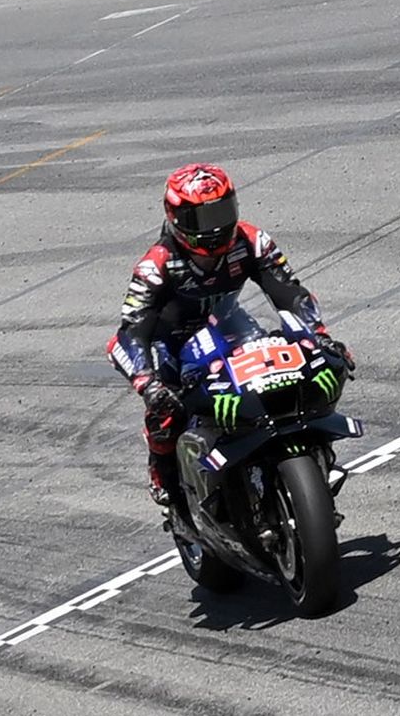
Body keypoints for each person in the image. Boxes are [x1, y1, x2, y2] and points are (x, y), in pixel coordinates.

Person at [106, 163, 354, 507]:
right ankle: (163, 471)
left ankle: (311, 450)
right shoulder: (156, 266)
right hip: (173, 342)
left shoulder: (251, 240)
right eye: (202, 219)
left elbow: (290, 293)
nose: (216, 226)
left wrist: (319, 336)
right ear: (176, 219)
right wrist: (147, 383)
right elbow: (130, 332)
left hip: (228, 322)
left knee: (295, 367)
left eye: (222, 211)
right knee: (167, 412)